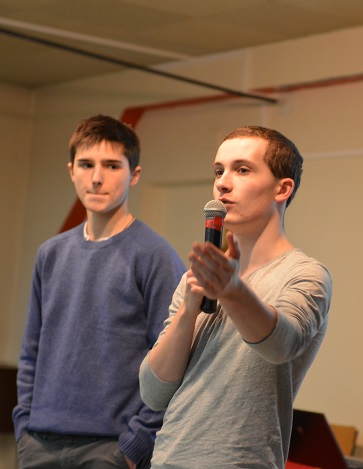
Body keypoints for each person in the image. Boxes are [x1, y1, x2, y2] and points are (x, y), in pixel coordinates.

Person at [139, 125, 333, 468]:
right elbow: (153, 394)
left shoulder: (305, 275)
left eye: (242, 170)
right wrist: (188, 310)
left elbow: (281, 345)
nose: (223, 183)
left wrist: (231, 291)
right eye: (219, 171)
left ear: (282, 188)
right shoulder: (193, 281)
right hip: (168, 460)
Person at [13, 115, 186, 468]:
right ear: (71, 171)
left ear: (134, 174)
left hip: (111, 449)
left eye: (111, 165)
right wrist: (24, 427)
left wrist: (136, 445)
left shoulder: (155, 255)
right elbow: (31, 351)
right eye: (86, 164)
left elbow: (174, 361)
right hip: (39, 443)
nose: (96, 177)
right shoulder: (50, 253)